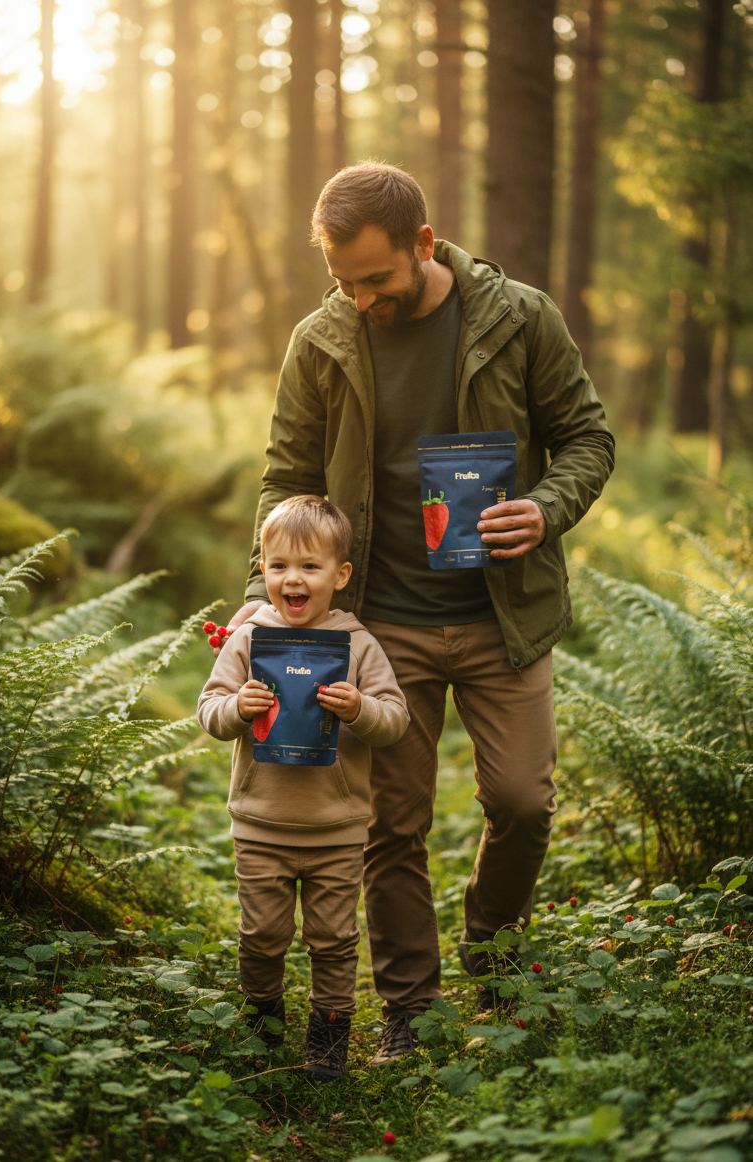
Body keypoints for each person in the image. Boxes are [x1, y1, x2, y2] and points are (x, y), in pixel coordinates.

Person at [220, 162, 615, 1064]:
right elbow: (288, 477)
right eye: (342, 281)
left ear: (424, 246)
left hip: (501, 615)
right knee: (391, 825)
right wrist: (262, 602)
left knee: (520, 801)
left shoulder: (520, 318)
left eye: (376, 279)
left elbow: (587, 437)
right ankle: (408, 1005)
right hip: (376, 623)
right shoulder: (319, 341)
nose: (360, 299)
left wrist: (544, 507)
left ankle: (493, 949)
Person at [197, 494, 409, 1081]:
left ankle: (329, 1037)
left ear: (339, 576)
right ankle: (263, 1019)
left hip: (337, 827)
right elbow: (209, 711)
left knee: (333, 937)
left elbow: (396, 719)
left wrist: (360, 708)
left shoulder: (357, 645)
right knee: (262, 933)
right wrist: (238, 706)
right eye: (279, 565)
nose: (293, 578)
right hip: (260, 823)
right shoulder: (248, 639)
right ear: (262, 569)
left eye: (309, 567)